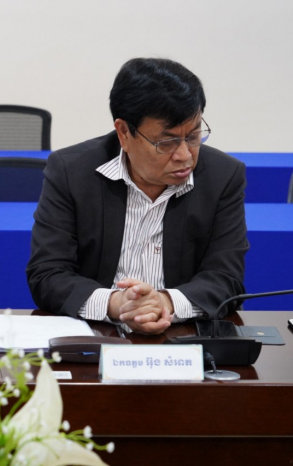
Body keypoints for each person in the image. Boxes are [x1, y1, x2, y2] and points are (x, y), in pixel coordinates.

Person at [26, 58, 248, 335]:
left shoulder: (223, 176)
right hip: (96, 338)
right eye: (166, 142)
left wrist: (164, 302)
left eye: (193, 137)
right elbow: (47, 274)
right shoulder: (71, 171)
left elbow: (226, 279)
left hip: (183, 340)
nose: (184, 155)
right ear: (124, 132)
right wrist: (116, 304)